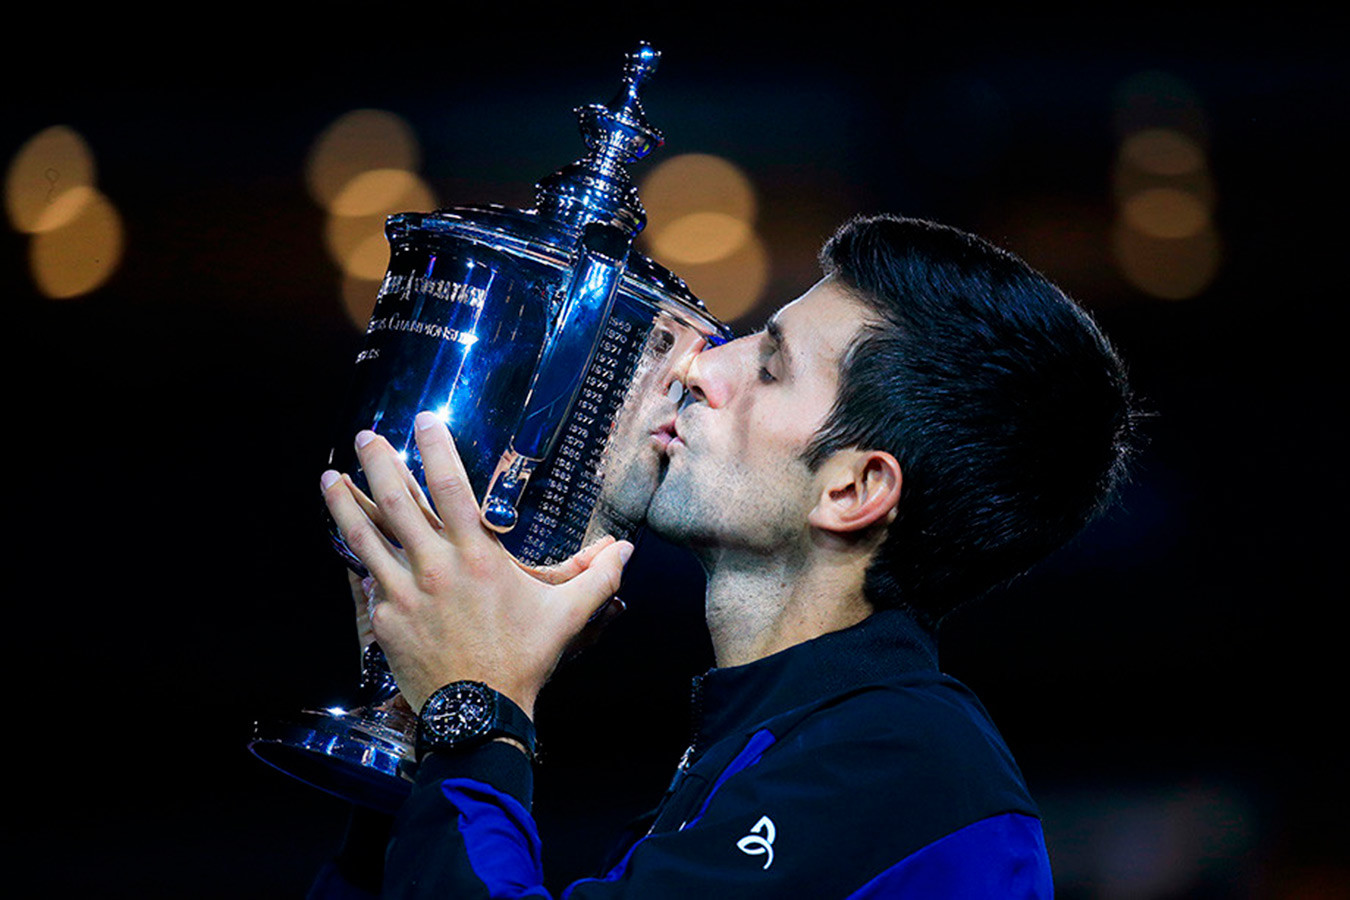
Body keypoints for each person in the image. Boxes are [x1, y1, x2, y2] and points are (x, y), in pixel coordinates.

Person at [310, 214, 1137, 898]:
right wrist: (415, 718)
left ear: (851, 491)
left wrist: (478, 703)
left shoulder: (902, 762)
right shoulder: (796, 745)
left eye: (770, 367)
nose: (703, 365)